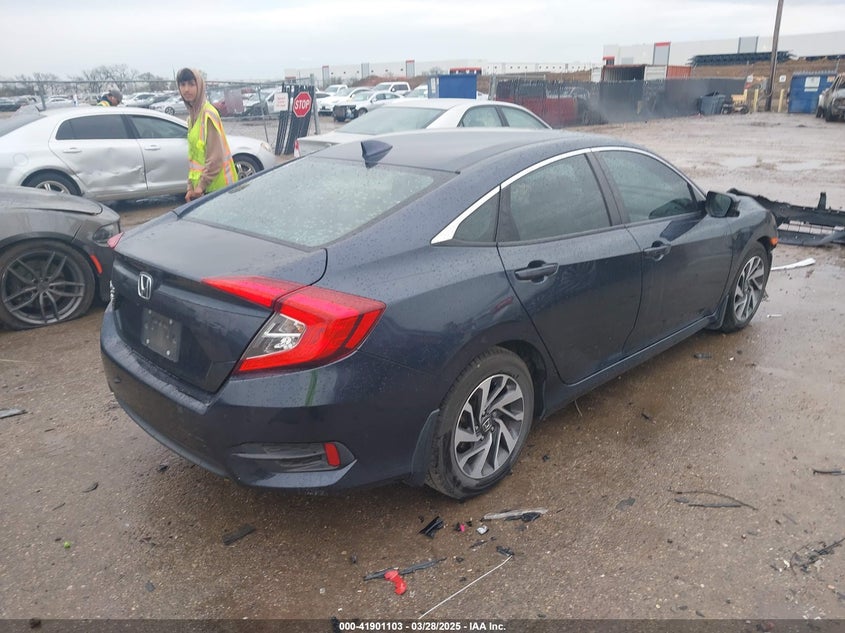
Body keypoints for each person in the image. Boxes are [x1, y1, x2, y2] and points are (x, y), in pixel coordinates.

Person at [176, 67, 238, 202]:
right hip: (204, 189)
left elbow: (215, 158)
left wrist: (200, 186)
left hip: (219, 189)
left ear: (199, 86)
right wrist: (190, 186)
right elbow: (194, 158)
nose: (186, 89)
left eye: (191, 84)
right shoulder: (192, 118)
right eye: (183, 84)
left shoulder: (208, 114)